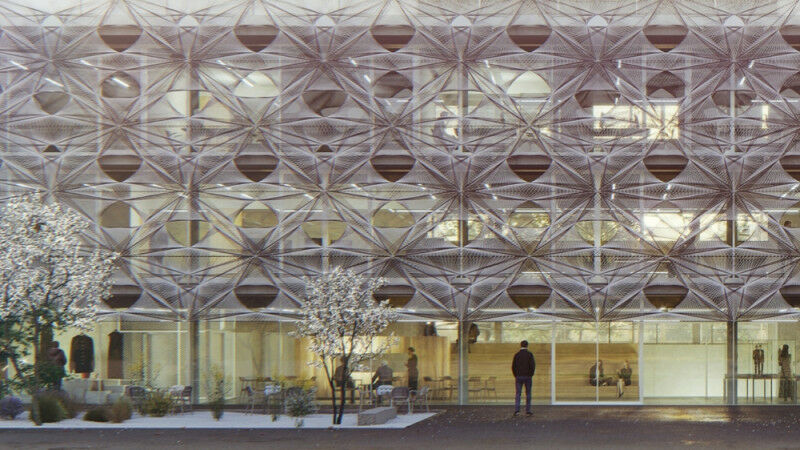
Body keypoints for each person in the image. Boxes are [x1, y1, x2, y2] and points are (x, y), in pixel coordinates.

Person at [511, 340, 535, 416]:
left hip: (519, 376)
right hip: (528, 376)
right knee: (528, 393)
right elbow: (533, 366)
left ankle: (517, 410)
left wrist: (516, 375)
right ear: (527, 345)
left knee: (518, 393)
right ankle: (528, 410)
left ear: (520, 345)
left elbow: (513, 366)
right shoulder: (530, 354)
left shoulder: (517, 355)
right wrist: (531, 374)